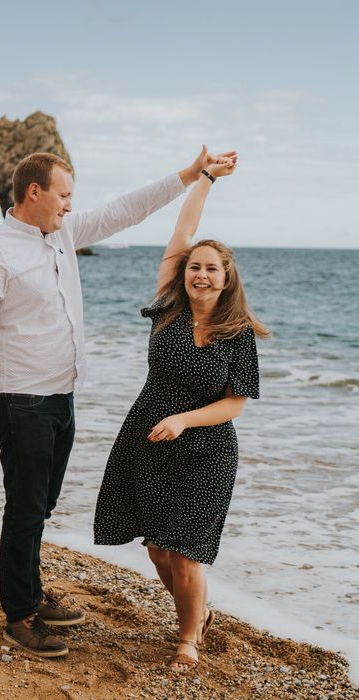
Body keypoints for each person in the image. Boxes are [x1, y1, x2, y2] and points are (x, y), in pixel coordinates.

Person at [0, 145, 234, 658]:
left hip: (59, 396)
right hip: (17, 400)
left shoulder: (61, 233)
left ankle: (32, 593)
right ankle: (19, 614)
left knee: (41, 504)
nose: (69, 205)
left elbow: (124, 210)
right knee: (25, 508)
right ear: (33, 192)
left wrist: (191, 174)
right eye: (63, 195)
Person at [93, 155, 270, 670]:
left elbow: (235, 403)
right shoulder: (168, 307)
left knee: (185, 552)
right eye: (195, 266)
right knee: (156, 549)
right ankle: (199, 613)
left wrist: (185, 420)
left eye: (211, 268)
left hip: (206, 451)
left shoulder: (237, 335)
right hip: (148, 437)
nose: (200, 273)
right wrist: (206, 179)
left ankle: (188, 638)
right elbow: (183, 230)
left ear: (225, 278)